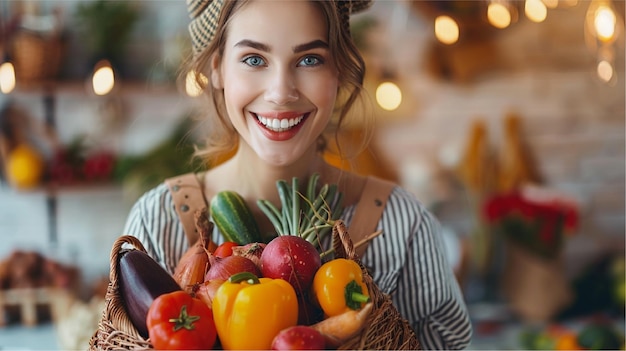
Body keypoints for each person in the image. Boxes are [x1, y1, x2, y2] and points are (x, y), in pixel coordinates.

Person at [123, 0, 472, 349]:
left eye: (309, 59)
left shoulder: (401, 225)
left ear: (337, 70)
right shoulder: (159, 221)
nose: (280, 92)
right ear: (217, 69)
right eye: (254, 59)